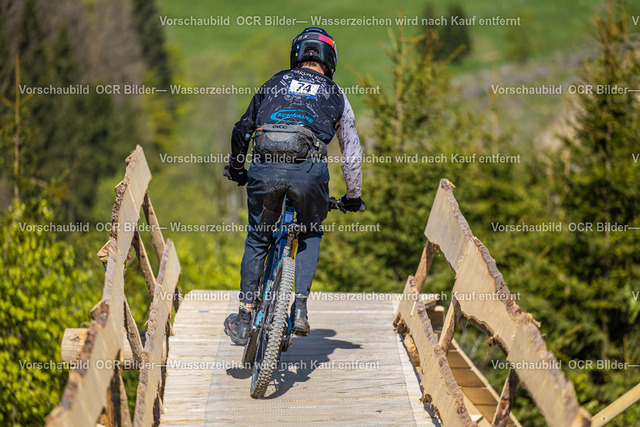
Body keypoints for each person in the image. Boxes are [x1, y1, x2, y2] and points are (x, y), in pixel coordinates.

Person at [223, 27, 364, 345]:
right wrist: (353, 197)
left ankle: (244, 317)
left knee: (258, 237)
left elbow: (242, 129)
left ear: (296, 55)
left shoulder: (274, 82)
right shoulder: (336, 93)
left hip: (265, 168)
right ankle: (299, 309)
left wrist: (237, 168)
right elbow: (352, 152)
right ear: (330, 60)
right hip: (309, 172)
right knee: (310, 231)